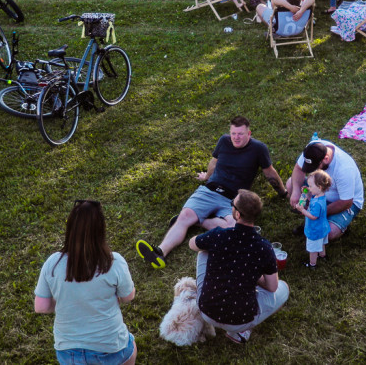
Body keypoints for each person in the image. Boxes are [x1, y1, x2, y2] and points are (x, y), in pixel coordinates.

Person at [136, 116, 287, 270]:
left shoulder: (259, 149)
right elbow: (213, 162)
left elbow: (270, 174)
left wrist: (283, 192)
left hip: (233, 199)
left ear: (249, 134)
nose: (236, 137)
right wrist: (207, 176)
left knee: (234, 228)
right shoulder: (224, 141)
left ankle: (198, 221)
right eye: (233, 133)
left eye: (240, 134)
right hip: (210, 190)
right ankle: (160, 252)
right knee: (184, 216)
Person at [35, 200, 137, 365]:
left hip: (68, 353)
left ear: (70, 229)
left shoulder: (52, 263)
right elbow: (128, 297)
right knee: (131, 345)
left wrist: (66, 300)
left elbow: (41, 307)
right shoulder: (114, 261)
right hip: (110, 349)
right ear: (100, 230)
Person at [189, 189, 289, 344]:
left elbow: (192, 244)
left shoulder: (219, 235)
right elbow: (272, 287)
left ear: (237, 214)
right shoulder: (264, 247)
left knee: (203, 252)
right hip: (240, 319)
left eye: (232, 205)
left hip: (207, 311)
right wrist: (253, 276)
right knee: (284, 288)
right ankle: (239, 333)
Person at [285, 137, 364, 241]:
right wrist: (295, 191)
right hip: (319, 189)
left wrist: (318, 212)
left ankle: (339, 224)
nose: (313, 170)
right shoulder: (312, 149)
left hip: (344, 202)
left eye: (315, 167)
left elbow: (346, 202)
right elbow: (299, 169)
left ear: (326, 159)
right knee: (291, 183)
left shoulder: (344, 169)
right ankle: (313, 218)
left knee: (329, 233)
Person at [295, 169, 332, 268]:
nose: (309, 188)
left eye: (311, 186)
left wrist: (302, 210)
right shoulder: (321, 197)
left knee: (313, 249)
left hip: (315, 229)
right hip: (322, 227)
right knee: (321, 243)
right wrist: (307, 195)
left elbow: (313, 216)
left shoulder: (317, 203)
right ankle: (323, 256)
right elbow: (313, 202)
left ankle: (312, 264)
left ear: (319, 187)